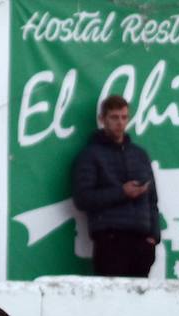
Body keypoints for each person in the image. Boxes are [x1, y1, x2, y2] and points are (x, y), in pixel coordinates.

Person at [71, 94, 160, 278]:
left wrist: (153, 237)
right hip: (110, 240)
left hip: (141, 242)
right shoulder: (90, 155)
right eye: (114, 117)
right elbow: (83, 198)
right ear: (102, 119)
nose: (120, 123)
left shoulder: (140, 154)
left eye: (124, 117)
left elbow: (152, 200)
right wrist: (122, 192)